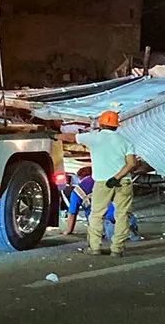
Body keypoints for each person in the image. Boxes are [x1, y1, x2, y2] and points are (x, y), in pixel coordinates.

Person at [55, 110, 137, 257]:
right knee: (122, 215)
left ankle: (94, 248)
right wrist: (117, 177)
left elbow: (71, 137)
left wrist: (54, 136)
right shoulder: (126, 141)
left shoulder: (93, 137)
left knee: (97, 215)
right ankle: (117, 249)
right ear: (116, 126)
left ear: (101, 124)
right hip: (123, 181)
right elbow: (131, 163)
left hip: (102, 182)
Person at [63, 169, 140, 243]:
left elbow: (72, 213)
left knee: (99, 226)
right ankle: (130, 229)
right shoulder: (108, 179)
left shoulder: (77, 192)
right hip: (123, 215)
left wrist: (68, 231)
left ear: (79, 178)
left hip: (105, 221)